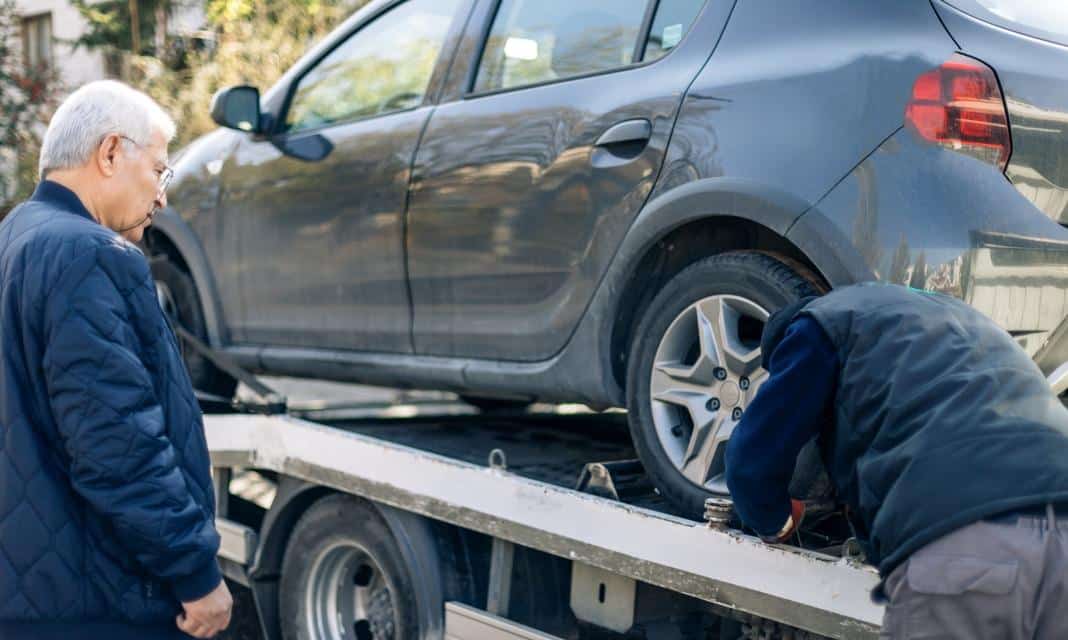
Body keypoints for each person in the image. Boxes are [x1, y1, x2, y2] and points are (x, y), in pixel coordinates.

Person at [0, 81, 231, 639]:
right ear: (109, 154)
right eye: (158, 170)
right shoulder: (88, 254)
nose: (162, 196)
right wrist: (194, 573)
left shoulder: (13, 237)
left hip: (32, 591)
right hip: (97, 600)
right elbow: (117, 443)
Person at [725, 282, 1068, 639]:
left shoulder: (816, 326)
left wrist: (775, 520)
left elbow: (750, 464)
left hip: (962, 536)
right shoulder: (958, 320)